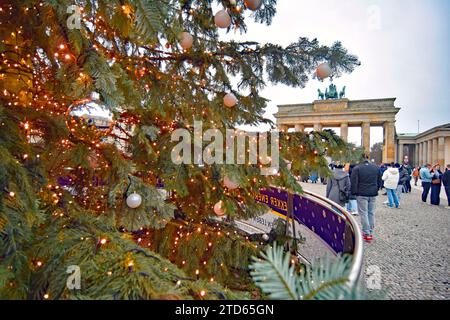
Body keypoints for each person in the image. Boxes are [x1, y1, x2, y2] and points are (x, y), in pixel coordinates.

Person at [350, 155, 382, 242]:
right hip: (372, 193)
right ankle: (370, 232)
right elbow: (379, 180)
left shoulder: (357, 168)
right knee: (371, 213)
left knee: (363, 213)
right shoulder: (376, 168)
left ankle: (366, 233)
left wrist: (354, 193)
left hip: (361, 193)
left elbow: (354, 181)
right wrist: (377, 188)